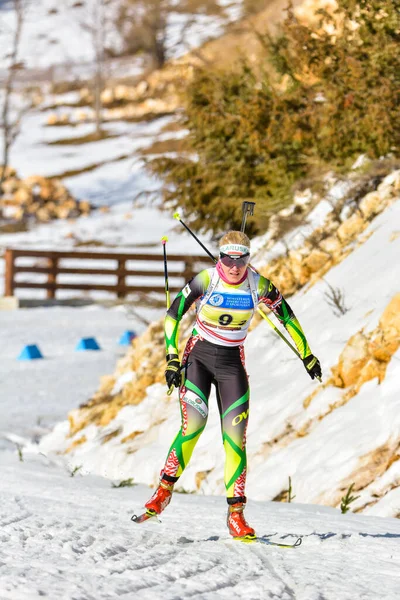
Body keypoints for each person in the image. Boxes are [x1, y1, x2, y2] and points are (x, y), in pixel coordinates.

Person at [144, 230, 321, 538]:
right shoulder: (207, 280)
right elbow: (173, 315)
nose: (235, 266)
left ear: (248, 259)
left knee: (235, 440)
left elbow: (288, 317)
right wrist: (172, 358)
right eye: (228, 259)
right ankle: (163, 491)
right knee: (194, 426)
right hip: (198, 357)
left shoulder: (258, 285)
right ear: (220, 258)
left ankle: (236, 515)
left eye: (242, 260)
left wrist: (307, 354)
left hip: (231, 364)